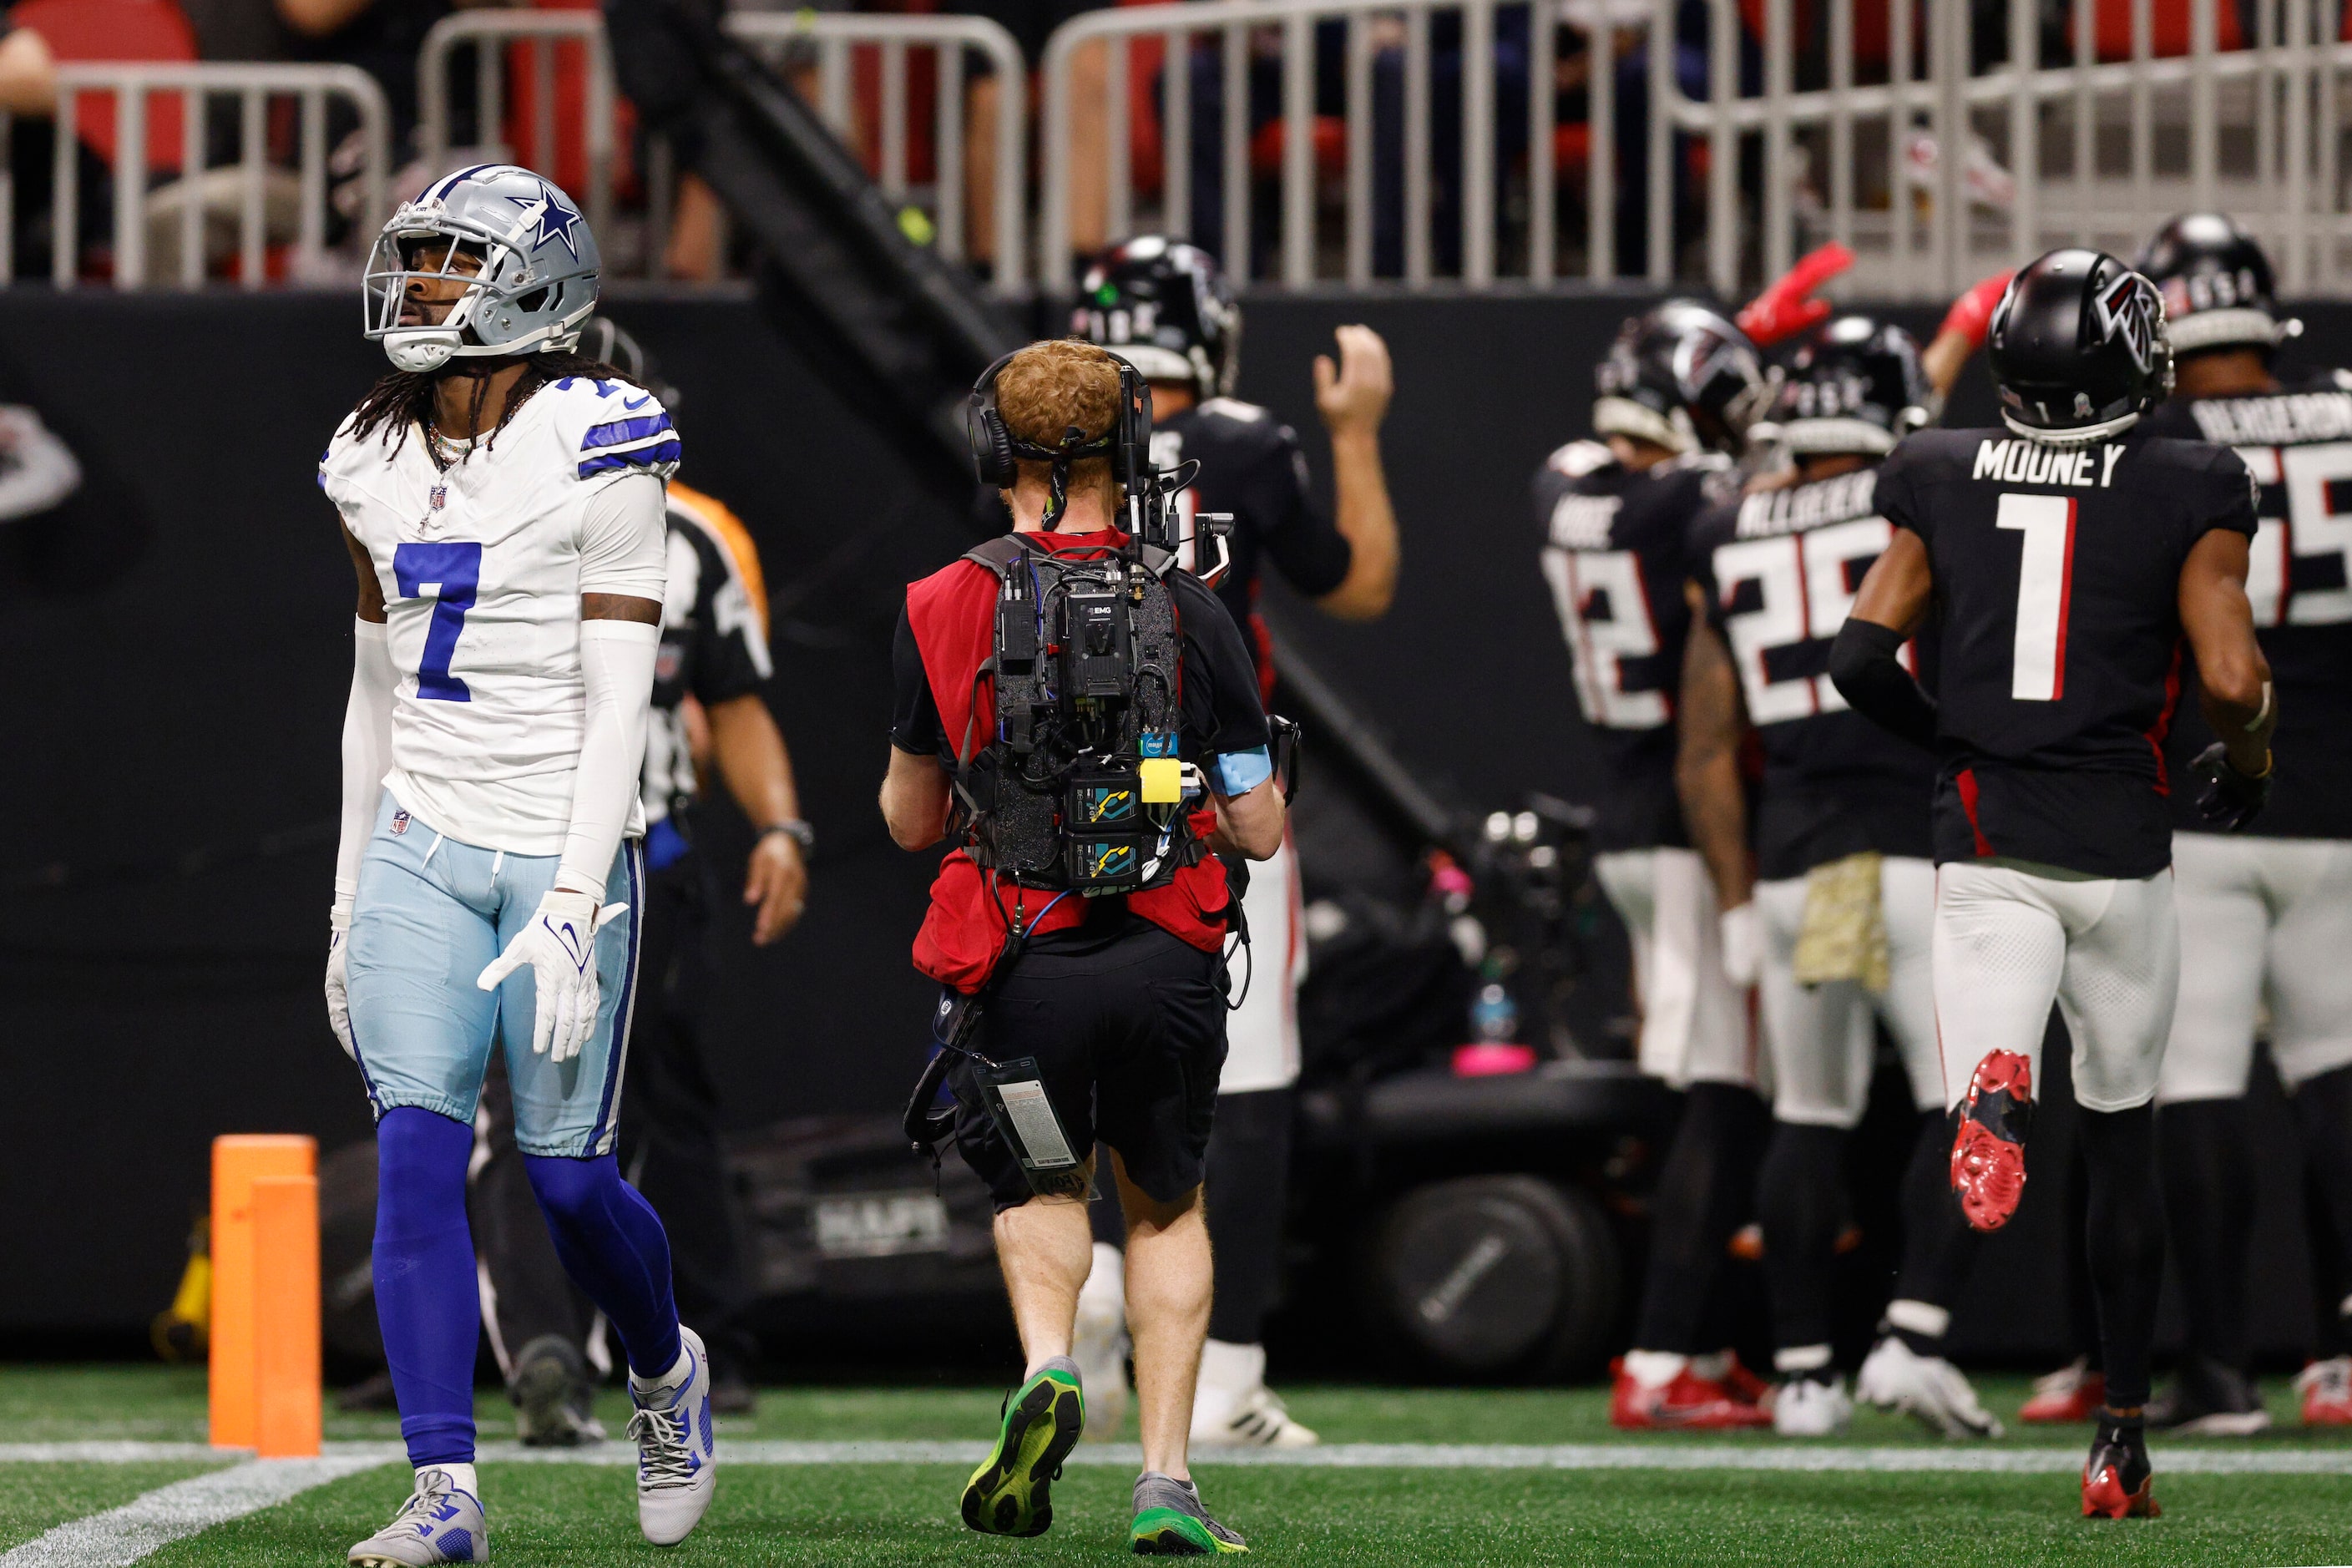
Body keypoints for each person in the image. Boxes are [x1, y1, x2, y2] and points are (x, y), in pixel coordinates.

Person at [1832, 247, 2274, 1518]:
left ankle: (1994, 1087)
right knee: (2124, 1141)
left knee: (1990, 1053)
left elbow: (1861, 656)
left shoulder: (1934, 466)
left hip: (1987, 848)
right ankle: (2120, 1440)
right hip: (2122, 855)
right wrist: (2243, 761)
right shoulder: (2190, 478)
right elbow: (2234, 680)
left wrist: (1959, 746)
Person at [320, 164, 716, 1561]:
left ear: (535, 284)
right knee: (417, 1159)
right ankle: (444, 1491)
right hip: (422, 840)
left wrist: (570, 893)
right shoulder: (365, 454)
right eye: (414, 262)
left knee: (565, 1181)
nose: (418, 289)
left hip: (562, 843)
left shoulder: (604, 437)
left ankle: (666, 1370)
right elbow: (375, 691)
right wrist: (349, 892)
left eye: (448, 264)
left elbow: (624, 699)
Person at [882, 338, 1284, 1554]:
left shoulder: (938, 601)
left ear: (995, 450)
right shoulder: (1194, 606)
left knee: (1047, 1186)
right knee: (1163, 1207)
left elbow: (907, 820)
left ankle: (1051, 1363)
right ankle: (1164, 1477)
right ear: (1132, 449)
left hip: (1022, 968)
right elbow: (1258, 826)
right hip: (1166, 964)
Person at [1066, 235, 1399, 1450]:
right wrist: (1356, 427)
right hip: (1207, 782)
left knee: (1084, 1041)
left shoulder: (1048, 436)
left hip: (1071, 792)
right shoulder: (1246, 442)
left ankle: (1094, 1273)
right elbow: (1355, 585)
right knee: (1246, 1082)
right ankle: (1227, 1375)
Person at [470, 316, 809, 1437]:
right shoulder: (489, 514)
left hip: (592, 840)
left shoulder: (681, 537)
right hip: (561, 834)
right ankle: (589, 1345)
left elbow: (731, 698)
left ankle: (611, 1340)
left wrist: (781, 827)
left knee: (590, 1102)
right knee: (557, 1107)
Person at [1677, 316, 2000, 1439]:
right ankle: (1913, 1334)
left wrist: (1729, 896)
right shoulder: (1925, 492)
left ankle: (1804, 1374)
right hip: (1917, 845)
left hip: (1798, 860)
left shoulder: (1723, 524)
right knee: (1966, 1100)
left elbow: (1707, 744)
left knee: (1806, 1113)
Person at [1535, 300, 1776, 1429]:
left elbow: (1600, 451)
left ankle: (1704, 1338)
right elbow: (1733, 477)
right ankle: (1661, 1353)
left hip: (1621, 813)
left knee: (1708, 1084)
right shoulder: (1693, 500)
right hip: (1690, 826)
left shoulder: (1563, 487)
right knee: (1717, 1095)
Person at [2132, 211, 2352, 1432]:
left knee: (2196, 1075)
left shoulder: (2156, 436)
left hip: (2210, 790)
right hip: (2343, 804)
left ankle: (2217, 1368)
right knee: (2338, 1070)